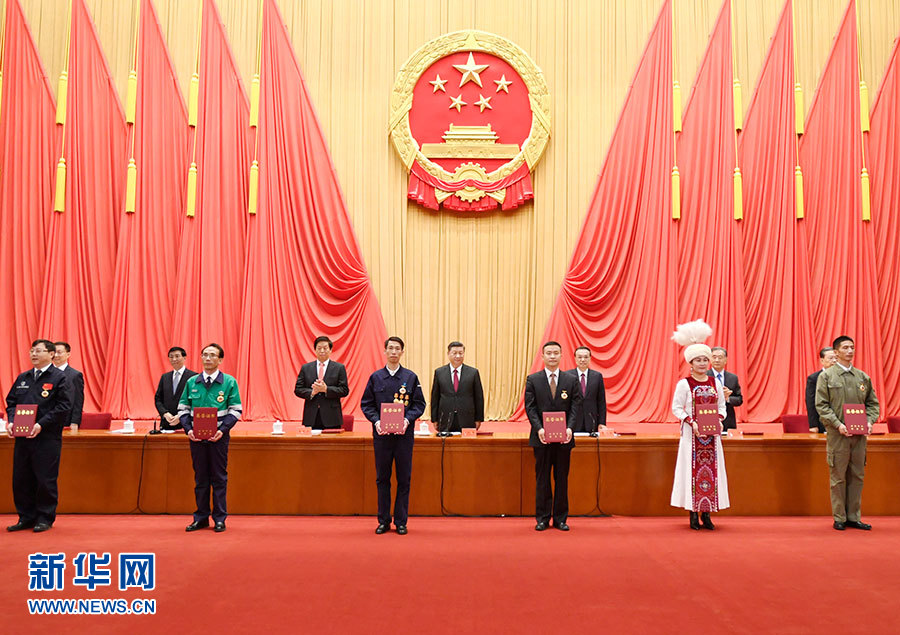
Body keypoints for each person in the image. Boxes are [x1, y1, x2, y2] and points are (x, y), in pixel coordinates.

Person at [360, 336, 426, 535]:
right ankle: (383, 520)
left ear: (402, 352)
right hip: (382, 437)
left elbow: (419, 404)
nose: (394, 352)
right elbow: (366, 404)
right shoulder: (376, 377)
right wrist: (376, 421)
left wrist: (407, 419)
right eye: (390, 348)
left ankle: (401, 521)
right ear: (385, 351)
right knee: (382, 478)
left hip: (404, 437)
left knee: (404, 479)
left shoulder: (411, 377)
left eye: (397, 349)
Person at [6, 339, 73, 532]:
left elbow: (63, 407)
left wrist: (41, 424)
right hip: (22, 437)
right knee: (21, 478)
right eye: (32, 351)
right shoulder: (23, 377)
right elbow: (11, 403)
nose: (34, 354)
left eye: (38, 351)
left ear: (51, 354)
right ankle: (25, 517)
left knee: (45, 479)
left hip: (46, 437)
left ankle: (45, 518)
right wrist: (12, 421)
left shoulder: (60, 378)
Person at [815, 335, 879, 531]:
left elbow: (873, 404)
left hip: (859, 437)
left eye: (852, 347)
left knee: (857, 476)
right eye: (845, 347)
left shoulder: (862, 377)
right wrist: (837, 424)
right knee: (838, 477)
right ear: (836, 352)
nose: (850, 351)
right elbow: (822, 405)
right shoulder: (827, 376)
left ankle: (854, 516)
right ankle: (839, 517)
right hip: (838, 436)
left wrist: (869, 421)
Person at [670, 320, 729, 530]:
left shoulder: (715, 383)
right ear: (691, 363)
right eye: (698, 360)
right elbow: (677, 408)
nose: (702, 364)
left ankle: (708, 513)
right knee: (691, 472)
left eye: (705, 359)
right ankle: (693, 513)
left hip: (712, 436)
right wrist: (691, 422)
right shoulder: (684, 384)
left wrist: (718, 419)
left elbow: (722, 406)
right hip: (691, 436)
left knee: (712, 472)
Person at [178, 343, 242, 533]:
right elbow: (183, 409)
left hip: (219, 438)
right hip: (196, 439)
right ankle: (201, 518)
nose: (208, 358)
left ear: (220, 360)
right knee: (200, 478)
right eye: (205, 354)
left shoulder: (229, 382)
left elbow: (235, 410)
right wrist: (188, 429)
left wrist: (223, 429)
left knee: (219, 478)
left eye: (212, 355)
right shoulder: (192, 382)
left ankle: (220, 519)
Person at [524, 341, 582, 532]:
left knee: (562, 479)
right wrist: (539, 428)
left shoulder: (570, 380)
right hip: (541, 438)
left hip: (564, 439)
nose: (552, 356)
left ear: (561, 355)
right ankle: (542, 518)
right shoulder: (533, 379)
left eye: (556, 353)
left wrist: (570, 428)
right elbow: (530, 407)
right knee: (542, 480)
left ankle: (560, 519)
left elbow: (576, 406)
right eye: (548, 353)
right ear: (542, 356)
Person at [294, 336, 349, 429]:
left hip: (332, 417)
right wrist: (312, 392)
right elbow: (298, 389)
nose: (322, 351)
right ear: (315, 350)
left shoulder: (339, 368)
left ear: (330, 350)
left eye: (325, 348)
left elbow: (344, 390)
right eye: (319, 348)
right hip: (311, 416)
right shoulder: (306, 368)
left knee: (332, 439)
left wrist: (326, 389)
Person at [430, 341, 485, 433]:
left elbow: (479, 397)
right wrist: (434, 419)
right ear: (448, 354)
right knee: (445, 441)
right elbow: (435, 397)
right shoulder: (439, 372)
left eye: (460, 353)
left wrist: (478, 419)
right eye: (454, 353)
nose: (458, 356)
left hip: (467, 418)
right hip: (445, 418)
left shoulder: (473, 373)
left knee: (467, 442)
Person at [154, 347, 197, 431]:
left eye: (177, 356)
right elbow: (158, 399)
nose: (174, 359)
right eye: (171, 356)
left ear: (184, 358)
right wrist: (165, 413)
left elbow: (196, 401)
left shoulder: (193, 377)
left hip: (187, 424)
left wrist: (181, 416)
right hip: (167, 423)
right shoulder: (165, 377)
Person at [565, 346, 606, 432]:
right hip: (572, 422)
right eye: (580, 357)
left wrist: (602, 423)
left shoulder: (597, 376)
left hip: (591, 421)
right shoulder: (567, 376)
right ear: (575, 358)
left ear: (590, 358)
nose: (583, 360)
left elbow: (601, 402)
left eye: (586, 357)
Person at [707, 347, 742, 432]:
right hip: (708, 417)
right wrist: (718, 396)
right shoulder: (704, 376)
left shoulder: (733, 378)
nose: (717, 360)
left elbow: (739, 400)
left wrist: (727, 398)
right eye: (714, 357)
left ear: (725, 360)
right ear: (710, 359)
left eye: (720, 357)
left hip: (728, 419)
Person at [52, 341, 84, 430]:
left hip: (65, 420)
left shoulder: (75, 375)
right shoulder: (46, 374)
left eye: (59, 352)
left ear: (68, 354)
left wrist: (75, 422)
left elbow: (78, 401)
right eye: (54, 352)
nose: (56, 355)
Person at [806, 347, 836, 433]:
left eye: (836, 358)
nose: (834, 361)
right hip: (823, 422)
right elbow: (811, 402)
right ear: (822, 361)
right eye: (831, 358)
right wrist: (813, 425)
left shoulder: (843, 376)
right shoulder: (814, 378)